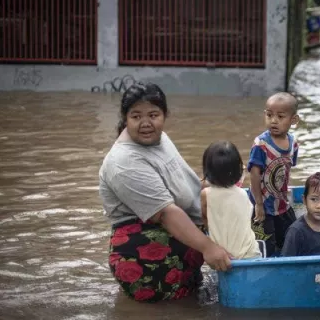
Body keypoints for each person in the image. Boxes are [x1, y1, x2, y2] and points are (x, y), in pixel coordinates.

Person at [99, 82, 232, 303]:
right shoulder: (123, 161)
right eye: (136, 116)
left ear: (165, 114)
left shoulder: (158, 138)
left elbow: (184, 182)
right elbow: (166, 213)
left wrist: (224, 191)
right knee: (175, 311)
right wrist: (209, 247)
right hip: (147, 262)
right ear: (125, 118)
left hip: (182, 243)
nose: (146, 124)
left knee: (193, 301)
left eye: (153, 115)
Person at [248, 92, 300, 256]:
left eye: (280, 116)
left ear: (293, 120)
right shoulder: (261, 144)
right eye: (269, 115)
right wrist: (258, 204)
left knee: (292, 238)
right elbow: (254, 175)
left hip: (282, 204)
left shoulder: (293, 144)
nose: (274, 120)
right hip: (262, 205)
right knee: (265, 246)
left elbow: (286, 171)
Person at [200, 141, 265, 259]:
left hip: (224, 257)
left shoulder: (206, 195)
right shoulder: (242, 194)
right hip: (251, 254)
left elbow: (204, 219)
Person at [280, 172, 320, 257]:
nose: (319, 206)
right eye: (314, 199)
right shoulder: (296, 231)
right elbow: (285, 263)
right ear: (304, 200)